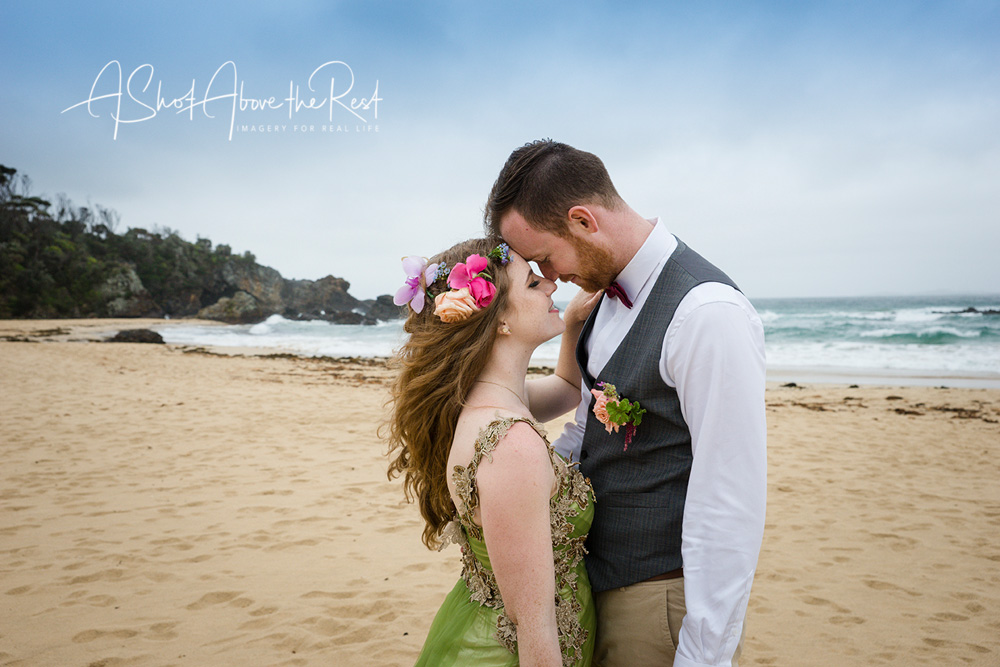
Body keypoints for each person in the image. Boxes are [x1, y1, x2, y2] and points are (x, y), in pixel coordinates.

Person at [484, 140, 767, 667]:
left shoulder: (707, 313)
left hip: (659, 601)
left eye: (545, 257)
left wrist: (703, 655)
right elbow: (587, 432)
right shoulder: (599, 299)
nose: (549, 277)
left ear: (583, 221)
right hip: (596, 590)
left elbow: (729, 499)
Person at [386, 237, 602, 666]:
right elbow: (533, 623)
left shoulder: (485, 400)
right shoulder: (510, 443)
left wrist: (573, 323)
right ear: (499, 317)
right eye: (533, 283)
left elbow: (565, 389)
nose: (552, 285)